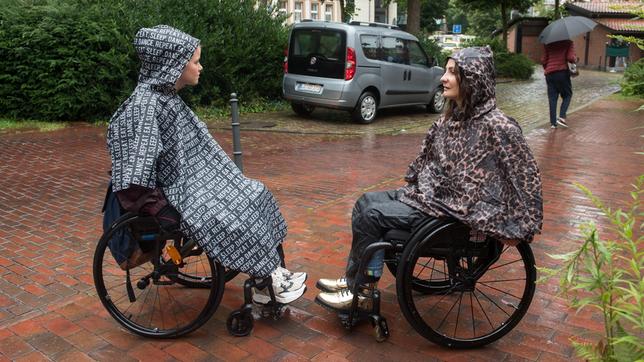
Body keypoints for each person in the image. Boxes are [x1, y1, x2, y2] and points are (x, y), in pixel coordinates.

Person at [315, 46, 543, 310]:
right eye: (445, 71)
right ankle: (355, 280)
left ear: (473, 79)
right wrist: (417, 183)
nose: (443, 78)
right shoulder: (451, 120)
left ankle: (362, 292)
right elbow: (425, 160)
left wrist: (521, 226)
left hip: (459, 212)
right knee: (364, 202)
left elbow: (526, 177)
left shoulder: (498, 126)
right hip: (433, 198)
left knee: (372, 216)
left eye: (451, 73)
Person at [106, 25, 306, 305]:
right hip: (174, 193)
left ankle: (271, 273)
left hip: (195, 182)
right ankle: (266, 278)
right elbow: (134, 178)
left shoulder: (166, 99)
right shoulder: (144, 107)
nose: (201, 67)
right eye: (196, 61)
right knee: (230, 215)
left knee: (254, 194)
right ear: (173, 65)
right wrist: (163, 207)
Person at [541, 40, 577, 129]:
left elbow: (543, 60)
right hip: (561, 72)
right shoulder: (568, 42)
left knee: (552, 98)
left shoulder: (548, 43)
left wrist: (548, 68)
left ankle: (553, 123)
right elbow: (570, 58)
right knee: (568, 95)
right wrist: (575, 59)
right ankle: (561, 117)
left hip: (549, 74)